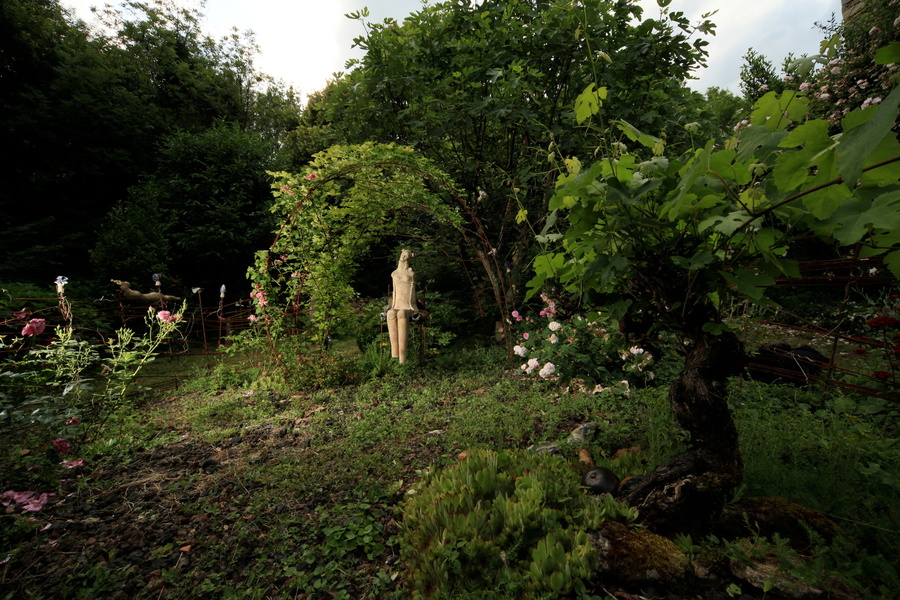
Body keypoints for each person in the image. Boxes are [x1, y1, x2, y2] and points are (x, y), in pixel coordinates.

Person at [386, 249, 418, 363]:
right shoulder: (394, 274)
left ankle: (403, 357)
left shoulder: (411, 274)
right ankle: (395, 353)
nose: (403, 258)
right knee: (390, 313)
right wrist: (392, 305)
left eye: (406, 256)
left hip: (408, 306)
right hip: (396, 304)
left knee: (402, 313)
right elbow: (394, 292)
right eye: (403, 255)